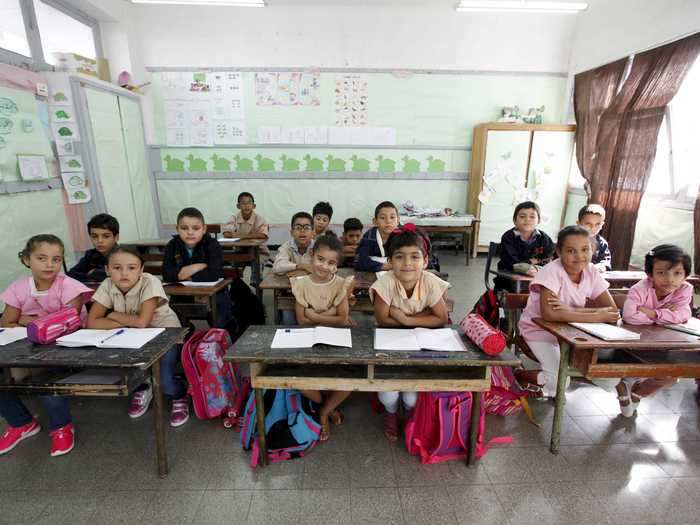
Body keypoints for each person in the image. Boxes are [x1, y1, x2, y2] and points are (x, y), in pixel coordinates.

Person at [0, 235, 92, 456]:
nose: (50, 264)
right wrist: (40, 323)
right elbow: (6, 322)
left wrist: (25, 318)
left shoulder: (69, 286)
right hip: (26, 345)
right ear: (26, 260)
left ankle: (61, 426)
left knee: (44, 375)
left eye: (56, 259)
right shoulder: (18, 287)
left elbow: (66, 324)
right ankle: (21, 422)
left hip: (67, 346)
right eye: (42, 258)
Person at [88, 246, 189, 426]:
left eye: (132, 268)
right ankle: (145, 387)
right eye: (117, 268)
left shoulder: (150, 282)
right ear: (107, 270)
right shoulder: (107, 284)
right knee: (133, 374)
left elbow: (142, 322)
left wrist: (112, 315)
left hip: (166, 336)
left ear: (141, 270)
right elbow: (92, 322)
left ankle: (179, 395)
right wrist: (128, 321)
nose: (124, 273)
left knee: (165, 381)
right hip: (132, 337)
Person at [517, 225, 619, 398]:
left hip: (572, 332)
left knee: (609, 379)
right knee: (560, 382)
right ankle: (518, 376)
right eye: (571, 251)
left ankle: (552, 383)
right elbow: (550, 315)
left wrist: (569, 310)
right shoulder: (551, 272)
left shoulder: (591, 272)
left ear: (593, 250)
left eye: (585, 249)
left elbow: (612, 312)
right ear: (559, 252)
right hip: (539, 332)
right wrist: (596, 315)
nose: (579, 256)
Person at [369, 224, 449, 441]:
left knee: (412, 397)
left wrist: (404, 318)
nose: (407, 264)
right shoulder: (385, 282)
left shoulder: (430, 281)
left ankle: (412, 415)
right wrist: (423, 319)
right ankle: (391, 413)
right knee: (388, 394)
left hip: (421, 345)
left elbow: (441, 318)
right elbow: (382, 320)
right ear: (390, 261)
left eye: (415, 257)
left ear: (425, 260)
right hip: (389, 344)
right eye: (399, 257)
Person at [291, 232, 354, 440]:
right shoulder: (301, 284)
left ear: (336, 265)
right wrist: (328, 315)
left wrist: (314, 315)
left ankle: (324, 412)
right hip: (307, 341)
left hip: (337, 341)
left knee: (350, 380)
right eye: (320, 259)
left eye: (330, 262)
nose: (324, 266)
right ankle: (326, 405)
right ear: (312, 255)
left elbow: (343, 319)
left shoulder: (340, 284)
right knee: (301, 383)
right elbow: (301, 321)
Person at [618, 244, 693, 417]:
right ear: (650, 274)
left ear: (685, 275)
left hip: (662, 343)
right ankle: (624, 385)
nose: (669, 279)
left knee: (671, 377)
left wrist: (652, 313)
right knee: (621, 368)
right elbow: (630, 317)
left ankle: (638, 391)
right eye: (661, 273)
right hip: (631, 343)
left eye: (677, 273)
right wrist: (666, 314)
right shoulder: (640, 289)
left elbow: (684, 315)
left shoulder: (685, 289)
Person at [162, 207, 235, 334]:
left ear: (204, 229)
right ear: (177, 228)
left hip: (214, 293)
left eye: (196, 228)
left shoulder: (212, 244)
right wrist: (198, 267)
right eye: (184, 228)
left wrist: (182, 274)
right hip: (182, 293)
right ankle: (186, 333)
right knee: (173, 316)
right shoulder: (172, 245)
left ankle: (224, 336)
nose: (190, 232)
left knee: (221, 321)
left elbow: (214, 273)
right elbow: (167, 274)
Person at [495, 201, 555, 291]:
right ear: (514, 220)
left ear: (538, 220)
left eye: (532, 216)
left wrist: (537, 265)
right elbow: (510, 260)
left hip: (536, 277)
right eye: (522, 216)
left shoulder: (544, 238)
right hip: (509, 278)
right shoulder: (508, 237)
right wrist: (530, 263)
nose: (527, 219)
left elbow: (549, 256)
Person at [67, 213, 120, 283]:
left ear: (116, 237)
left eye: (106, 236)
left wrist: (94, 273)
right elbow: (71, 274)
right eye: (94, 236)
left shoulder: (124, 256)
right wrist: (93, 275)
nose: (100, 241)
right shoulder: (90, 255)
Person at [355, 201, 400, 272]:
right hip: (376, 271)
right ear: (375, 221)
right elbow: (358, 261)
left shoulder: (402, 236)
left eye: (392, 217)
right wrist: (385, 266)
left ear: (398, 221)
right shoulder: (369, 237)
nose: (388, 221)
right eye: (382, 218)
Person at [577, 204, 612, 272]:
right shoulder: (569, 240)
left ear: (602, 225)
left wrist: (601, 267)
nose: (593, 228)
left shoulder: (602, 243)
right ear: (578, 223)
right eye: (588, 224)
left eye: (597, 224)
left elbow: (605, 262)